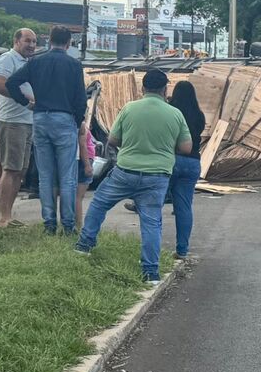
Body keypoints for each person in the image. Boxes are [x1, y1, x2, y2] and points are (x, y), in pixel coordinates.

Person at [74, 69, 191, 284]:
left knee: (99, 203)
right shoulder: (175, 114)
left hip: (125, 172)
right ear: (165, 89)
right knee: (151, 222)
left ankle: (84, 245)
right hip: (157, 176)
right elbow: (186, 147)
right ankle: (150, 272)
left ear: (143, 88)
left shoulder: (129, 109)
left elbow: (114, 140)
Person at [5, 26, 86, 235]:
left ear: (49, 40)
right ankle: (68, 226)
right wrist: (77, 122)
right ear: (68, 43)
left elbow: (12, 82)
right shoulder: (74, 65)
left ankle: (49, 224)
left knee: (46, 175)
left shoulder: (35, 62)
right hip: (65, 119)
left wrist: (25, 103)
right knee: (67, 176)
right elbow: (80, 99)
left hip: (40, 118)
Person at [0, 28, 38, 228]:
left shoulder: (27, 63)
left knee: (20, 170)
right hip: (12, 122)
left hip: (26, 122)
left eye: (35, 42)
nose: (32, 45)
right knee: (10, 169)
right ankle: (2, 218)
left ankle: (8, 214)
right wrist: (24, 101)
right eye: (28, 41)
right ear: (16, 41)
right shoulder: (7, 59)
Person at [168, 81, 205, 258]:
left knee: (154, 204)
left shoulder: (170, 111)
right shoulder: (199, 115)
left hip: (170, 160)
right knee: (184, 207)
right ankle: (182, 250)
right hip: (192, 163)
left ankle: (151, 249)